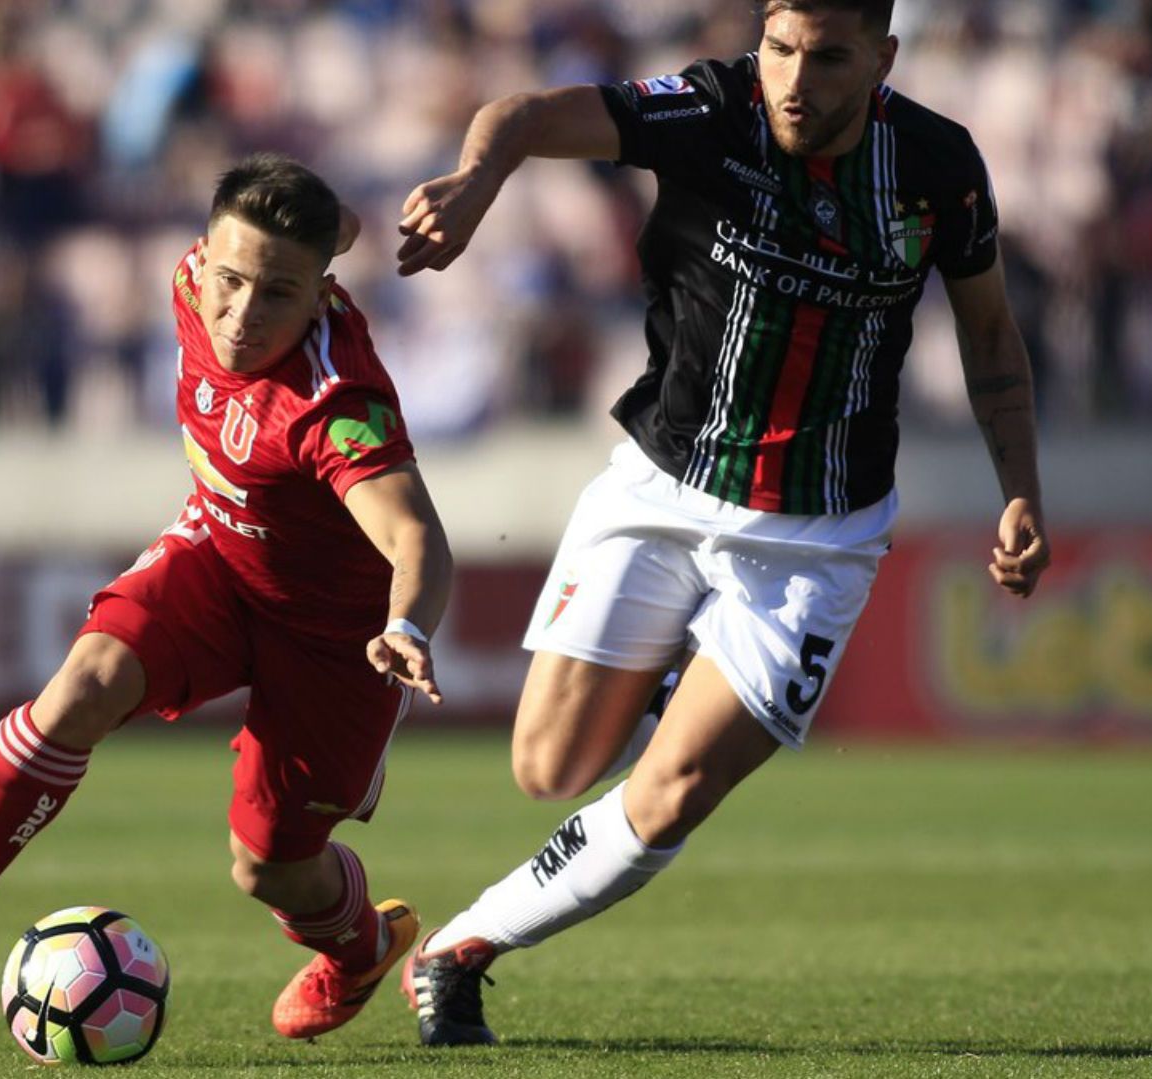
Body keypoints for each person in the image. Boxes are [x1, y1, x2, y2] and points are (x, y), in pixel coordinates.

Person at [390, 0, 1051, 1046]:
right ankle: (675, 673)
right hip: (662, 485)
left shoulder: (938, 165)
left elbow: (992, 342)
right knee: (548, 769)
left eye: (828, 59)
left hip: (818, 533)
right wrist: (473, 188)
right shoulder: (710, 108)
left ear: (881, 58)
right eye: (782, 49)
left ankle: (460, 949)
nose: (796, 79)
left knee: (677, 785)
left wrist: (1020, 489)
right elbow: (518, 113)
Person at [0, 153, 455, 1041]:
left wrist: (404, 623)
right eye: (232, 279)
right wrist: (339, 228)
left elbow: (413, 534)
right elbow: (327, 234)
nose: (243, 313)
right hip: (217, 555)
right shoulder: (193, 278)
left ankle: (360, 946)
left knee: (270, 869)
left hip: (334, 635)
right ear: (202, 256)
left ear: (319, 293)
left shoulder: (332, 401)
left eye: (279, 294)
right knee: (81, 683)